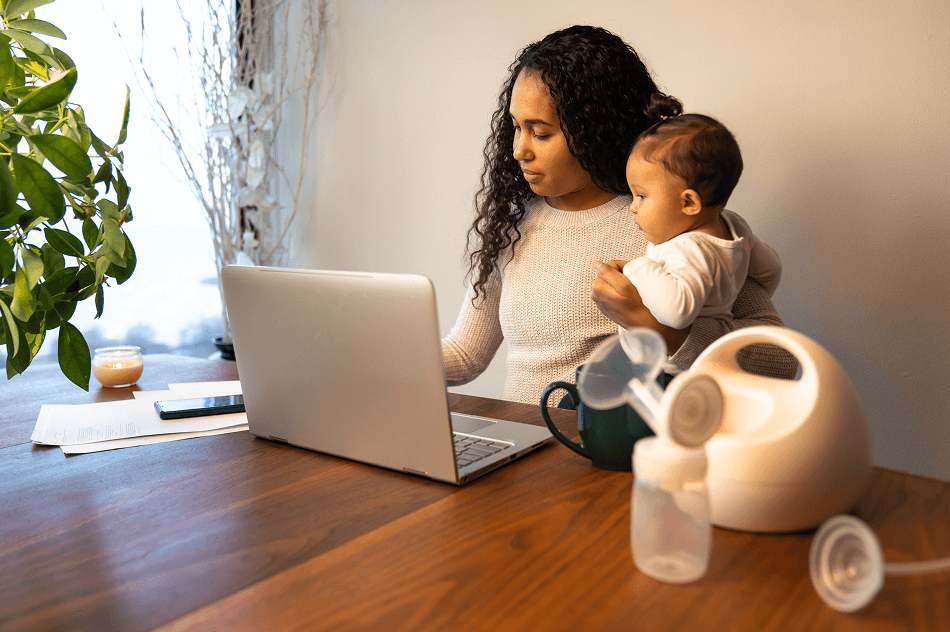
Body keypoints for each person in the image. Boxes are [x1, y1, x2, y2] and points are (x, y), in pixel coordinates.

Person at [441, 25, 795, 406]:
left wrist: (665, 333)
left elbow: (779, 360)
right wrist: (378, 358)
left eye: (540, 133)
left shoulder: (670, 223)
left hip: (610, 456)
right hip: (526, 454)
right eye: (515, 128)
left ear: (593, 130)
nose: (517, 150)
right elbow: (465, 354)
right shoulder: (513, 227)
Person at [620, 107, 782, 340]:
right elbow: (771, 270)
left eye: (641, 196)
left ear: (688, 202)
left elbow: (676, 313)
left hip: (669, 368)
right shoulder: (735, 226)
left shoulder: (688, 250)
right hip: (707, 351)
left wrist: (635, 268)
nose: (633, 206)